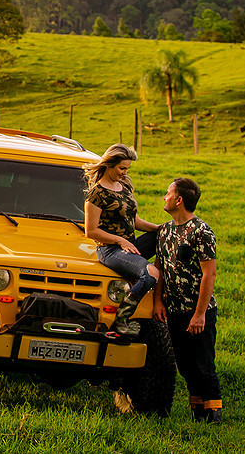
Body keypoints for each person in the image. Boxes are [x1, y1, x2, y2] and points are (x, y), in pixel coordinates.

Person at [153, 177, 223, 425]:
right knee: (185, 366)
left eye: (168, 193)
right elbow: (159, 268)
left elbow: (209, 273)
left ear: (179, 200)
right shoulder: (165, 231)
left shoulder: (201, 232)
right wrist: (158, 301)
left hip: (198, 311)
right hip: (172, 310)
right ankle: (198, 414)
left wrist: (200, 314)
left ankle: (214, 415)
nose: (165, 197)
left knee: (203, 365)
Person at [82, 144, 161, 336]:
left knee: (164, 236)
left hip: (128, 245)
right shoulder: (97, 193)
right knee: (151, 273)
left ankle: (164, 296)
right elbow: (90, 231)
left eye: (127, 169)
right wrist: (119, 240)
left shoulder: (124, 186)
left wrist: (159, 229)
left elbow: (133, 221)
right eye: (121, 168)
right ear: (109, 165)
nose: (124, 173)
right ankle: (122, 319)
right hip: (109, 250)